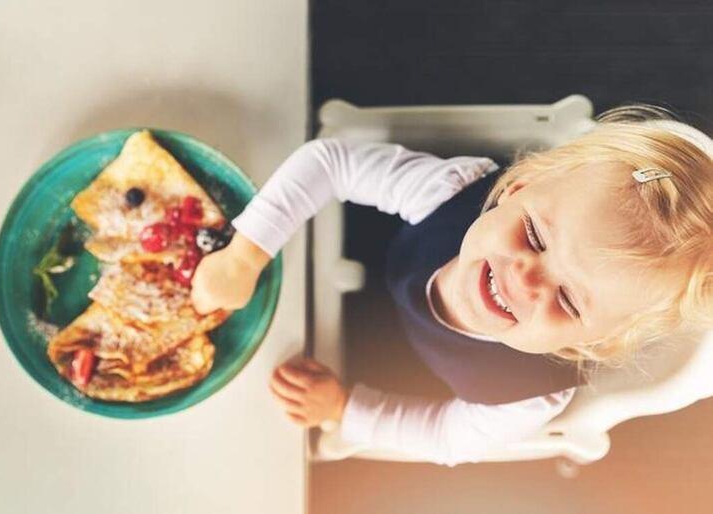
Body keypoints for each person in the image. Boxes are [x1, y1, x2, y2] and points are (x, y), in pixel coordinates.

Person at [191, 104, 713, 466]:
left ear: (592, 342)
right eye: (532, 234)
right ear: (518, 185)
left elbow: (446, 436)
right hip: (391, 258)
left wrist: (345, 409)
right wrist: (245, 254)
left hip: (403, 364)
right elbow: (330, 161)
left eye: (569, 300)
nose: (525, 278)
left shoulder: (526, 398)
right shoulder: (454, 192)